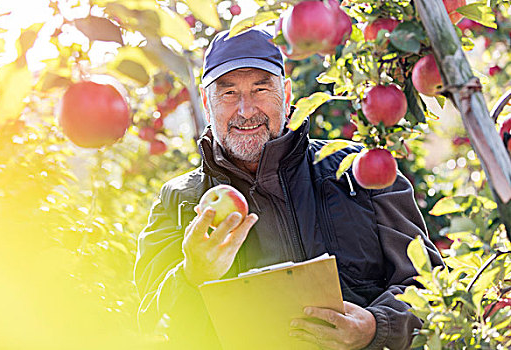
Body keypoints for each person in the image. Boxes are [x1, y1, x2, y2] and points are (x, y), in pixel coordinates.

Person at [134, 28, 444, 350]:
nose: (245, 110)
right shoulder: (180, 202)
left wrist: (376, 326)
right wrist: (191, 275)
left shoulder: (359, 170)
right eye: (228, 93)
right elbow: (150, 324)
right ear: (206, 102)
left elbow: (430, 286)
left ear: (286, 92)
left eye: (260, 89)